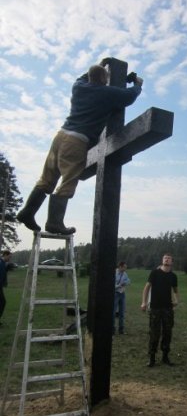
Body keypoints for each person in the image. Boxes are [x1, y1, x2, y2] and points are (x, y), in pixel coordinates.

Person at [17, 58, 143, 235]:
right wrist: (138, 85)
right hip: (77, 141)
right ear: (103, 79)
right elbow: (129, 96)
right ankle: (54, 222)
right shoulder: (106, 93)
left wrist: (101, 63)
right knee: (68, 181)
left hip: (60, 137)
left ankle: (26, 212)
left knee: (47, 178)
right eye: (106, 77)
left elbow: (84, 77)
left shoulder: (78, 87)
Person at [141, 254, 179, 367]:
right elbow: (146, 288)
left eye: (169, 258)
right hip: (155, 308)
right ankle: (152, 358)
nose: (167, 259)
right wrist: (143, 302)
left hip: (168, 309)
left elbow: (176, 290)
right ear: (162, 260)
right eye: (165, 258)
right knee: (154, 333)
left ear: (172, 262)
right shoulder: (155, 273)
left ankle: (165, 357)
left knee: (168, 333)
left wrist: (177, 300)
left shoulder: (173, 276)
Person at [112, 261, 131, 335]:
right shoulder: (114, 273)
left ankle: (121, 330)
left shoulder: (125, 274)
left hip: (122, 294)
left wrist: (126, 283)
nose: (125, 269)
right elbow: (112, 285)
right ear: (120, 267)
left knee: (122, 312)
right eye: (124, 267)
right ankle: (112, 329)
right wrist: (120, 285)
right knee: (113, 312)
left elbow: (129, 281)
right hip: (115, 294)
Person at [0, 250, 12, 326]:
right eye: (9, 257)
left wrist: (6, 269)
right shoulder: (0, 263)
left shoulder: (3, 263)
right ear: (5, 255)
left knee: (2, 302)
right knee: (2, 302)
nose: (9, 259)